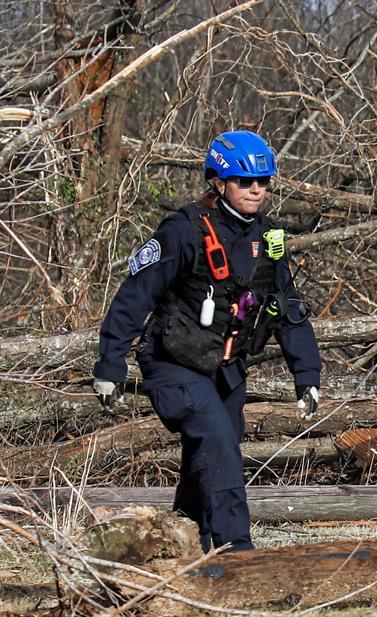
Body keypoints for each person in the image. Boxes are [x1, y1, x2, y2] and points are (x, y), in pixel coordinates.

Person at [92, 130, 322, 552]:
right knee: (218, 444)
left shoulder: (267, 240)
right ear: (219, 181)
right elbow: (134, 296)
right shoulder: (182, 232)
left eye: (264, 182)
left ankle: (180, 544)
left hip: (226, 369)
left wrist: (306, 374)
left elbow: (288, 308)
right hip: (172, 365)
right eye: (245, 181)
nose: (256, 190)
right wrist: (110, 365)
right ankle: (237, 552)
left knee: (210, 459)